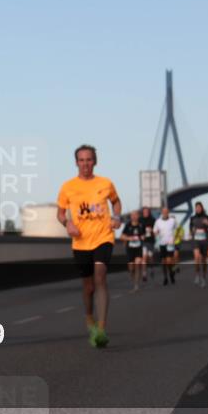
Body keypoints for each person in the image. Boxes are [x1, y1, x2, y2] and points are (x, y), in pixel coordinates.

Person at [57, 145, 122, 348]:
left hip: (103, 237)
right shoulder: (68, 187)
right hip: (81, 242)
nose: (85, 164)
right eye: (82, 160)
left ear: (95, 161)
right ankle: (88, 317)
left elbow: (116, 202)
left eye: (89, 160)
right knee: (88, 286)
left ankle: (101, 328)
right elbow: (60, 213)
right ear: (76, 162)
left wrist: (117, 216)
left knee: (100, 277)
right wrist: (67, 223)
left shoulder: (106, 183)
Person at [189, 202, 208, 288]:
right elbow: (190, 228)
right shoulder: (192, 218)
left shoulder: (207, 217)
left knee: (203, 260)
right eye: (196, 208)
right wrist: (192, 231)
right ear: (195, 209)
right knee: (196, 257)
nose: (198, 209)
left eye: (199, 207)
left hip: (204, 241)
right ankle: (197, 275)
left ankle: (203, 277)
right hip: (196, 240)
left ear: (202, 208)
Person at [120, 210, 146, 293]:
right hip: (130, 248)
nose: (134, 216)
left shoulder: (141, 225)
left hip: (138, 248)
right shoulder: (128, 225)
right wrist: (129, 238)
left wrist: (143, 237)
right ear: (131, 217)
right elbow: (122, 237)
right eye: (132, 215)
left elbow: (144, 235)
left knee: (137, 264)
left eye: (135, 215)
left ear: (138, 216)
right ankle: (134, 281)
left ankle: (136, 285)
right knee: (131, 268)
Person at [153, 206, 179, 286]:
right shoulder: (158, 221)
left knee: (169, 261)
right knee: (163, 262)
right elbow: (155, 231)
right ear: (162, 213)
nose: (165, 213)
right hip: (162, 243)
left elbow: (178, 229)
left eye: (166, 212)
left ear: (168, 212)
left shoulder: (172, 220)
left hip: (170, 243)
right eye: (163, 212)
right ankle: (165, 277)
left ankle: (171, 273)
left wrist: (174, 238)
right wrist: (157, 234)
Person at [139, 205, 156, 282]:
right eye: (144, 212)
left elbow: (156, 231)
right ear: (142, 212)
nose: (145, 213)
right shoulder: (140, 220)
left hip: (151, 241)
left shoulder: (153, 220)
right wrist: (140, 235)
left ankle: (152, 269)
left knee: (150, 257)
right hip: (144, 242)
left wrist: (152, 230)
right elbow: (138, 230)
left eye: (147, 212)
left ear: (149, 212)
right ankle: (144, 274)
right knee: (144, 257)